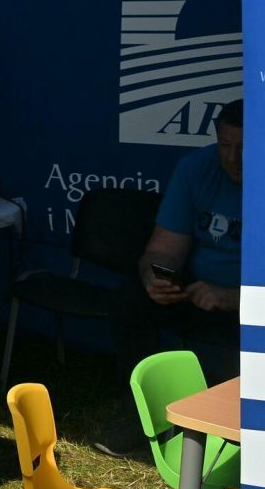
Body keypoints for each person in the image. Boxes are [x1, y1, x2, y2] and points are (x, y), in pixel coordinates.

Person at [99, 98, 244, 457]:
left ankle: (236, 430)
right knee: (132, 300)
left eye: (245, 148)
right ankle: (142, 416)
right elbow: (163, 250)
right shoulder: (197, 167)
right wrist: (156, 277)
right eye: (225, 145)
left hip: (248, 303)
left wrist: (231, 297)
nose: (233, 158)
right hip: (198, 291)